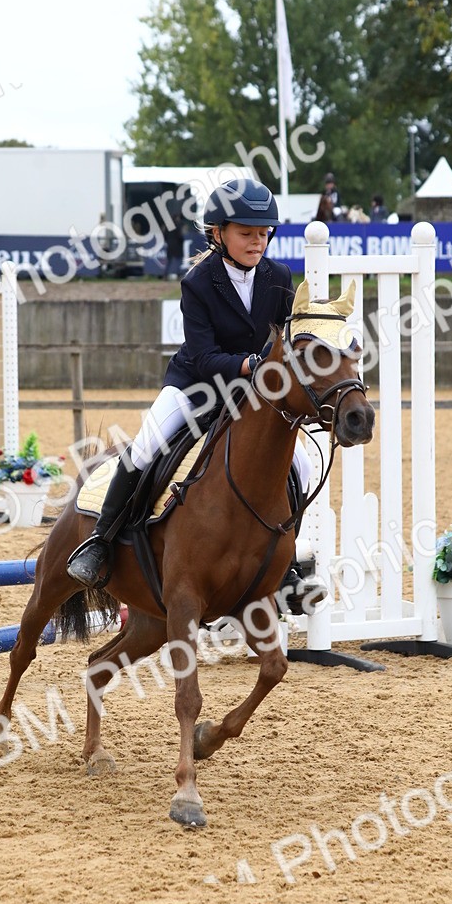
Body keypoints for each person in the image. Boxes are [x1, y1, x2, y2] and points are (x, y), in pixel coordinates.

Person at [67, 178, 317, 611]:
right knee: (146, 447)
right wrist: (252, 366)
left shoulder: (278, 276)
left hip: (253, 393)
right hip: (196, 385)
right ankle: (101, 543)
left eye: (263, 233)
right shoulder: (199, 281)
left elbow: (288, 335)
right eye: (246, 233)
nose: (257, 241)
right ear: (218, 233)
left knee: (303, 463)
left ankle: (286, 563)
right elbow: (203, 356)